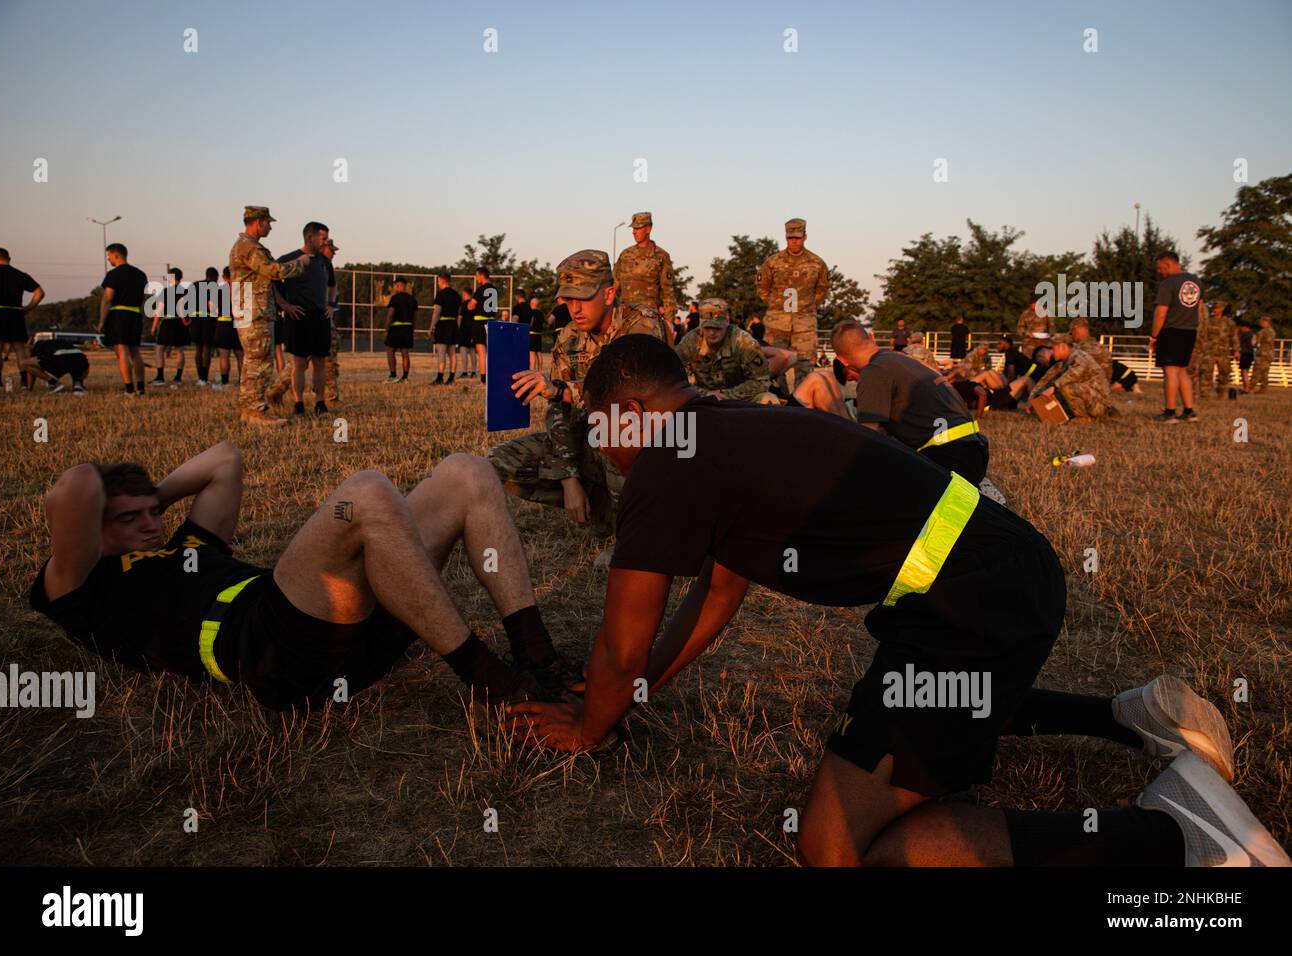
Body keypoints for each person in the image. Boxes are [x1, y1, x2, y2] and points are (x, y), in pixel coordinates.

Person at [507, 334, 1291, 869]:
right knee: (933, 699)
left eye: (599, 427)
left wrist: (592, 724)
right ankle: (1129, 716)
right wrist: (639, 693)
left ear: (634, 412)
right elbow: (719, 591)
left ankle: (1175, 838)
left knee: (838, 847)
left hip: (971, 599)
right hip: (992, 575)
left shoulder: (667, 460)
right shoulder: (724, 424)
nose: (602, 451)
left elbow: (619, 646)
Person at [28, 442, 579, 712]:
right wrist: (108, 511)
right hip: (269, 648)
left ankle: (536, 655)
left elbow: (225, 458)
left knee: (467, 470)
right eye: (130, 519)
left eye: (154, 514)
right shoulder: (82, 586)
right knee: (364, 494)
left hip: (345, 623)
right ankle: (494, 683)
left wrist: (148, 500)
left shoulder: (187, 545)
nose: (151, 525)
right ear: (92, 529)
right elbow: (75, 485)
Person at [489, 250, 668, 552]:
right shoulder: (569, 337)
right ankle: (603, 514)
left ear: (609, 293)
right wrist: (568, 478)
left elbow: (629, 393)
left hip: (647, 444)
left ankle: (634, 533)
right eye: (568, 299)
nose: (574, 308)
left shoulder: (643, 324)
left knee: (612, 431)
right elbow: (560, 412)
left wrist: (562, 389)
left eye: (582, 298)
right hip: (593, 442)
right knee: (502, 460)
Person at [831, 319, 991, 486]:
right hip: (974, 448)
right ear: (872, 337)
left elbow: (869, 438)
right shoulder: (902, 358)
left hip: (948, 457)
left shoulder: (873, 371)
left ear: (842, 360)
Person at [227, 206, 311, 426]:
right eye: (268, 222)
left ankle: (249, 408)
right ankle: (257, 412)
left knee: (251, 361)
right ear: (258, 222)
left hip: (248, 308)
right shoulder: (250, 247)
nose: (270, 227)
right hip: (255, 310)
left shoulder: (242, 246)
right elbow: (273, 271)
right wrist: (299, 265)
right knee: (261, 361)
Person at [757, 218, 829, 390]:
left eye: (797, 237)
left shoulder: (817, 263)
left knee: (805, 367)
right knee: (775, 367)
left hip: (804, 322)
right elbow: (762, 288)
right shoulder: (773, 262)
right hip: (777, 323)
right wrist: (776, 307)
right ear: (785, 237)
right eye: (790, 238)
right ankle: (779, 403)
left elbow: (822, 290)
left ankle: (801, 406)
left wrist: (806, 308)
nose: (794, 241)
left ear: (805, 237)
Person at [273, 222, 332, 416]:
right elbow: (271, 282)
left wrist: (331, 304)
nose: (326, 242)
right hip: (298, 317)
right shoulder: (289, 259)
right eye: (323, 238)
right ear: (310, 237)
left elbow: (332, 285)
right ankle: (298, 404)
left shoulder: (325, 261)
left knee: (320, 363)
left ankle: (320, 403)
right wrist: (284, 305)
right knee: (299, 364)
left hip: (319, 317)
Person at [674, 298, 774, 402]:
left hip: (740, 400)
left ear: (727, 322)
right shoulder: (690, 341)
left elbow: (762, 381)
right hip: (702, 400)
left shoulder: (743, 341)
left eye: (717, 328)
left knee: (768, 399)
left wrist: (725, 395)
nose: (712, 333)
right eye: (707, 328)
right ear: (701, 324)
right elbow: (674, 379)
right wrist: (705, 394)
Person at [1149, 251, 1199, 423]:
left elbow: (1161, 313)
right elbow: (1198, 308)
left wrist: (1154, 336)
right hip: (1190, 330)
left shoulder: (1168, 283)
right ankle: (1189, 411)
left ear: (1168, 264)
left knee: (1170, 372)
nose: (1159, 271)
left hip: (1171, 331)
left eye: (1160, 267)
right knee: (1182, 371)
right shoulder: (1196, 281)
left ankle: (1170, 412)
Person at [96, 243, 149, 397]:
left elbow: (107, 298)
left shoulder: (113, 274)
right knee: (136, 353)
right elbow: (142, 297)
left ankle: (129, 390)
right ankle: (141, 389)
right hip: (135, 314)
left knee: (122, 351)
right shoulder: (141, 274)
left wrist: (101, 321)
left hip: (119, 315)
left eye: (109, 256)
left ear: (116, 254)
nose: (108, 259)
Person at [1028, 333, 1115, 422]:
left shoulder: (1079, 355)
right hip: (1092, 401)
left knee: (1066, 387)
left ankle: (1083, 419)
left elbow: (1074, 373)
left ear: (1062, 347)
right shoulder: (1062, 363)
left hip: (1099, 405)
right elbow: (1046, 379)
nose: (1052, 353)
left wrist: (1054, 387)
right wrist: (1034, 397)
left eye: (1053, 349)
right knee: (1059, 386)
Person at [613, 211, 677, 329]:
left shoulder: (661, 256)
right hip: (624, 319)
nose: (634, 232)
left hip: (649, 320)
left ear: (648, 229)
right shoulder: (625, 255)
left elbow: (668, 292)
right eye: (633, 228)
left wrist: (669, 322)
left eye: (638, 228)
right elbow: (614, 287)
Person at [0, 247, 43, 391]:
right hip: (16, 314)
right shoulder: (20, 274)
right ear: (9, 258)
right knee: (20, 348)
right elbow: (40, 292)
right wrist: (28, 308)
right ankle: (24, 381)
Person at [151, 267, 190, 388]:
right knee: (179, 351)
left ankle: (160, 376)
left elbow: (159, 310)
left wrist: (154, 327)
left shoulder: (166, 291)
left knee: (159, 349)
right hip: (180, 323)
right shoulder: (185, 292)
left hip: (168, 322)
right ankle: (178, 377)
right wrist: (185, 321)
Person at [213, 265, 244, 391]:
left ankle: (225, 381)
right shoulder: (242, 289)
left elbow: (213, 309)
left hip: (224, 323)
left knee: (224, 356)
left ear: (224, 277)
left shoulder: (220, 290)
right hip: (240, 324)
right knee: (241, 356)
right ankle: (242, 381)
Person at [188, 267, 220, 387]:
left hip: (195, 318)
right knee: (207, 347)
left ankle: (200, 377)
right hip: (208, 318)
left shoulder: (194, 285)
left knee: (198, 348)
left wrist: (189, 319)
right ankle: (205, 377)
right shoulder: (215, 287)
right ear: (215, 276)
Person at [383, 277, 418, 383]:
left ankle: (393, 376)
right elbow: (415, 316)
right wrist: (413, 327)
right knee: (405, 352)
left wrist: (386, 329)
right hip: (408, 327)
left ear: (398, 285)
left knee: (390, 351)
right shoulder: (412, 299)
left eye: (395, 285)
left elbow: (390, 314)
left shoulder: (395, 298)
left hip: (396, 327)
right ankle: (405, 377)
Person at [320, 237, 342, 409]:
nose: (333, 253)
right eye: (331, 250)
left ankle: (332, 396)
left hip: (325, 318)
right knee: (301, 361)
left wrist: (331, 304)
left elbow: (332, 287)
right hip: (312, 317)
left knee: (330, 356)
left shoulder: (327, 266)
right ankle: (277, 389)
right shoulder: (311, 263)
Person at [24, 337, 89, 394]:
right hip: (83, 361)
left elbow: (30, 367)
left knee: (24, 364)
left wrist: (29, 388)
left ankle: (53, 383)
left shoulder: (38, 345)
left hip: (61, 359)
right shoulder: (55, 343)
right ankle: (78, 385)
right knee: (73, 363)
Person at [430, 271, 461, 385]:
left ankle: (440, 377)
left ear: (442, 280)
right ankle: (451, 378)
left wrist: (432, 326)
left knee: (442, 353)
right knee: (452, 353)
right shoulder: (456, 295)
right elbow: (458, 313)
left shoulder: (440, 294)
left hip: (443, 325)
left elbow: (437, 312)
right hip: (453, 325)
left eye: (438, 280)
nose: (438, 283)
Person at [472, 266, 499, 383]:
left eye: (477, 275)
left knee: (481, 350)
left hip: (480, 322)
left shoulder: (481, 289)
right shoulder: (494, 290)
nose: (477, 278)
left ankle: (484, 377)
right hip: (492, 321)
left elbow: (471, 305)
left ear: (482, 275)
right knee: (491, 351)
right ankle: (494, 374)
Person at [1068, 318, 1111, 382]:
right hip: (1104, 388)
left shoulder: (1077, 350)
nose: (1072, 336)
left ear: (1075, 331)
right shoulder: (1104, 348)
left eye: (1071, 333)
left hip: (1086, 389)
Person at [1016, 291, 1052, 358]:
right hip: (1029, 344)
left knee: (1042, 360)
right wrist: (1027, 333)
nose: (1033, 306)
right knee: (1028, 362)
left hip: (1043, 343)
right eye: (1032, 304)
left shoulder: (1046, 312)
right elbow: (1020, 328)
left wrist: (1050, 335)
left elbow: (1052, 326)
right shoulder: (1025, 314)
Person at [1250, 316, 1276, 393]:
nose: (1260, 323)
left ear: (1265, 322)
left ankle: (1250, 388)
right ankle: (1263, 388)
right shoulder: (1272, 331)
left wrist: (1253, 343)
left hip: (1262, 354)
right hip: (1270, 354)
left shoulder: (1262, 332)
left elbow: (1255, 343)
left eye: (1261, 322)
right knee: (1265, 372)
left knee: (1256, 370)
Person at [1235, 318, 1255, 392]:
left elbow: (1239, 344)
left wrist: (1238, 352)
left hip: (1245, 353)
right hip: (1250, 353)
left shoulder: (1245, 335)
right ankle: (1246, 387)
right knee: (1245, 371)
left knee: (1244, 371)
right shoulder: (1252, 334)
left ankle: (1247, 388)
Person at [527, 295, 546, 371]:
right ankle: (540, 371)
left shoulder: (531, 312)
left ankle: (532, 371)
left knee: (532, 353)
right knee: (539, 353)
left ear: (532, 303)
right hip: (539, 335)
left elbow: (530, 323)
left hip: (532, 334)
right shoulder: (541, 313)